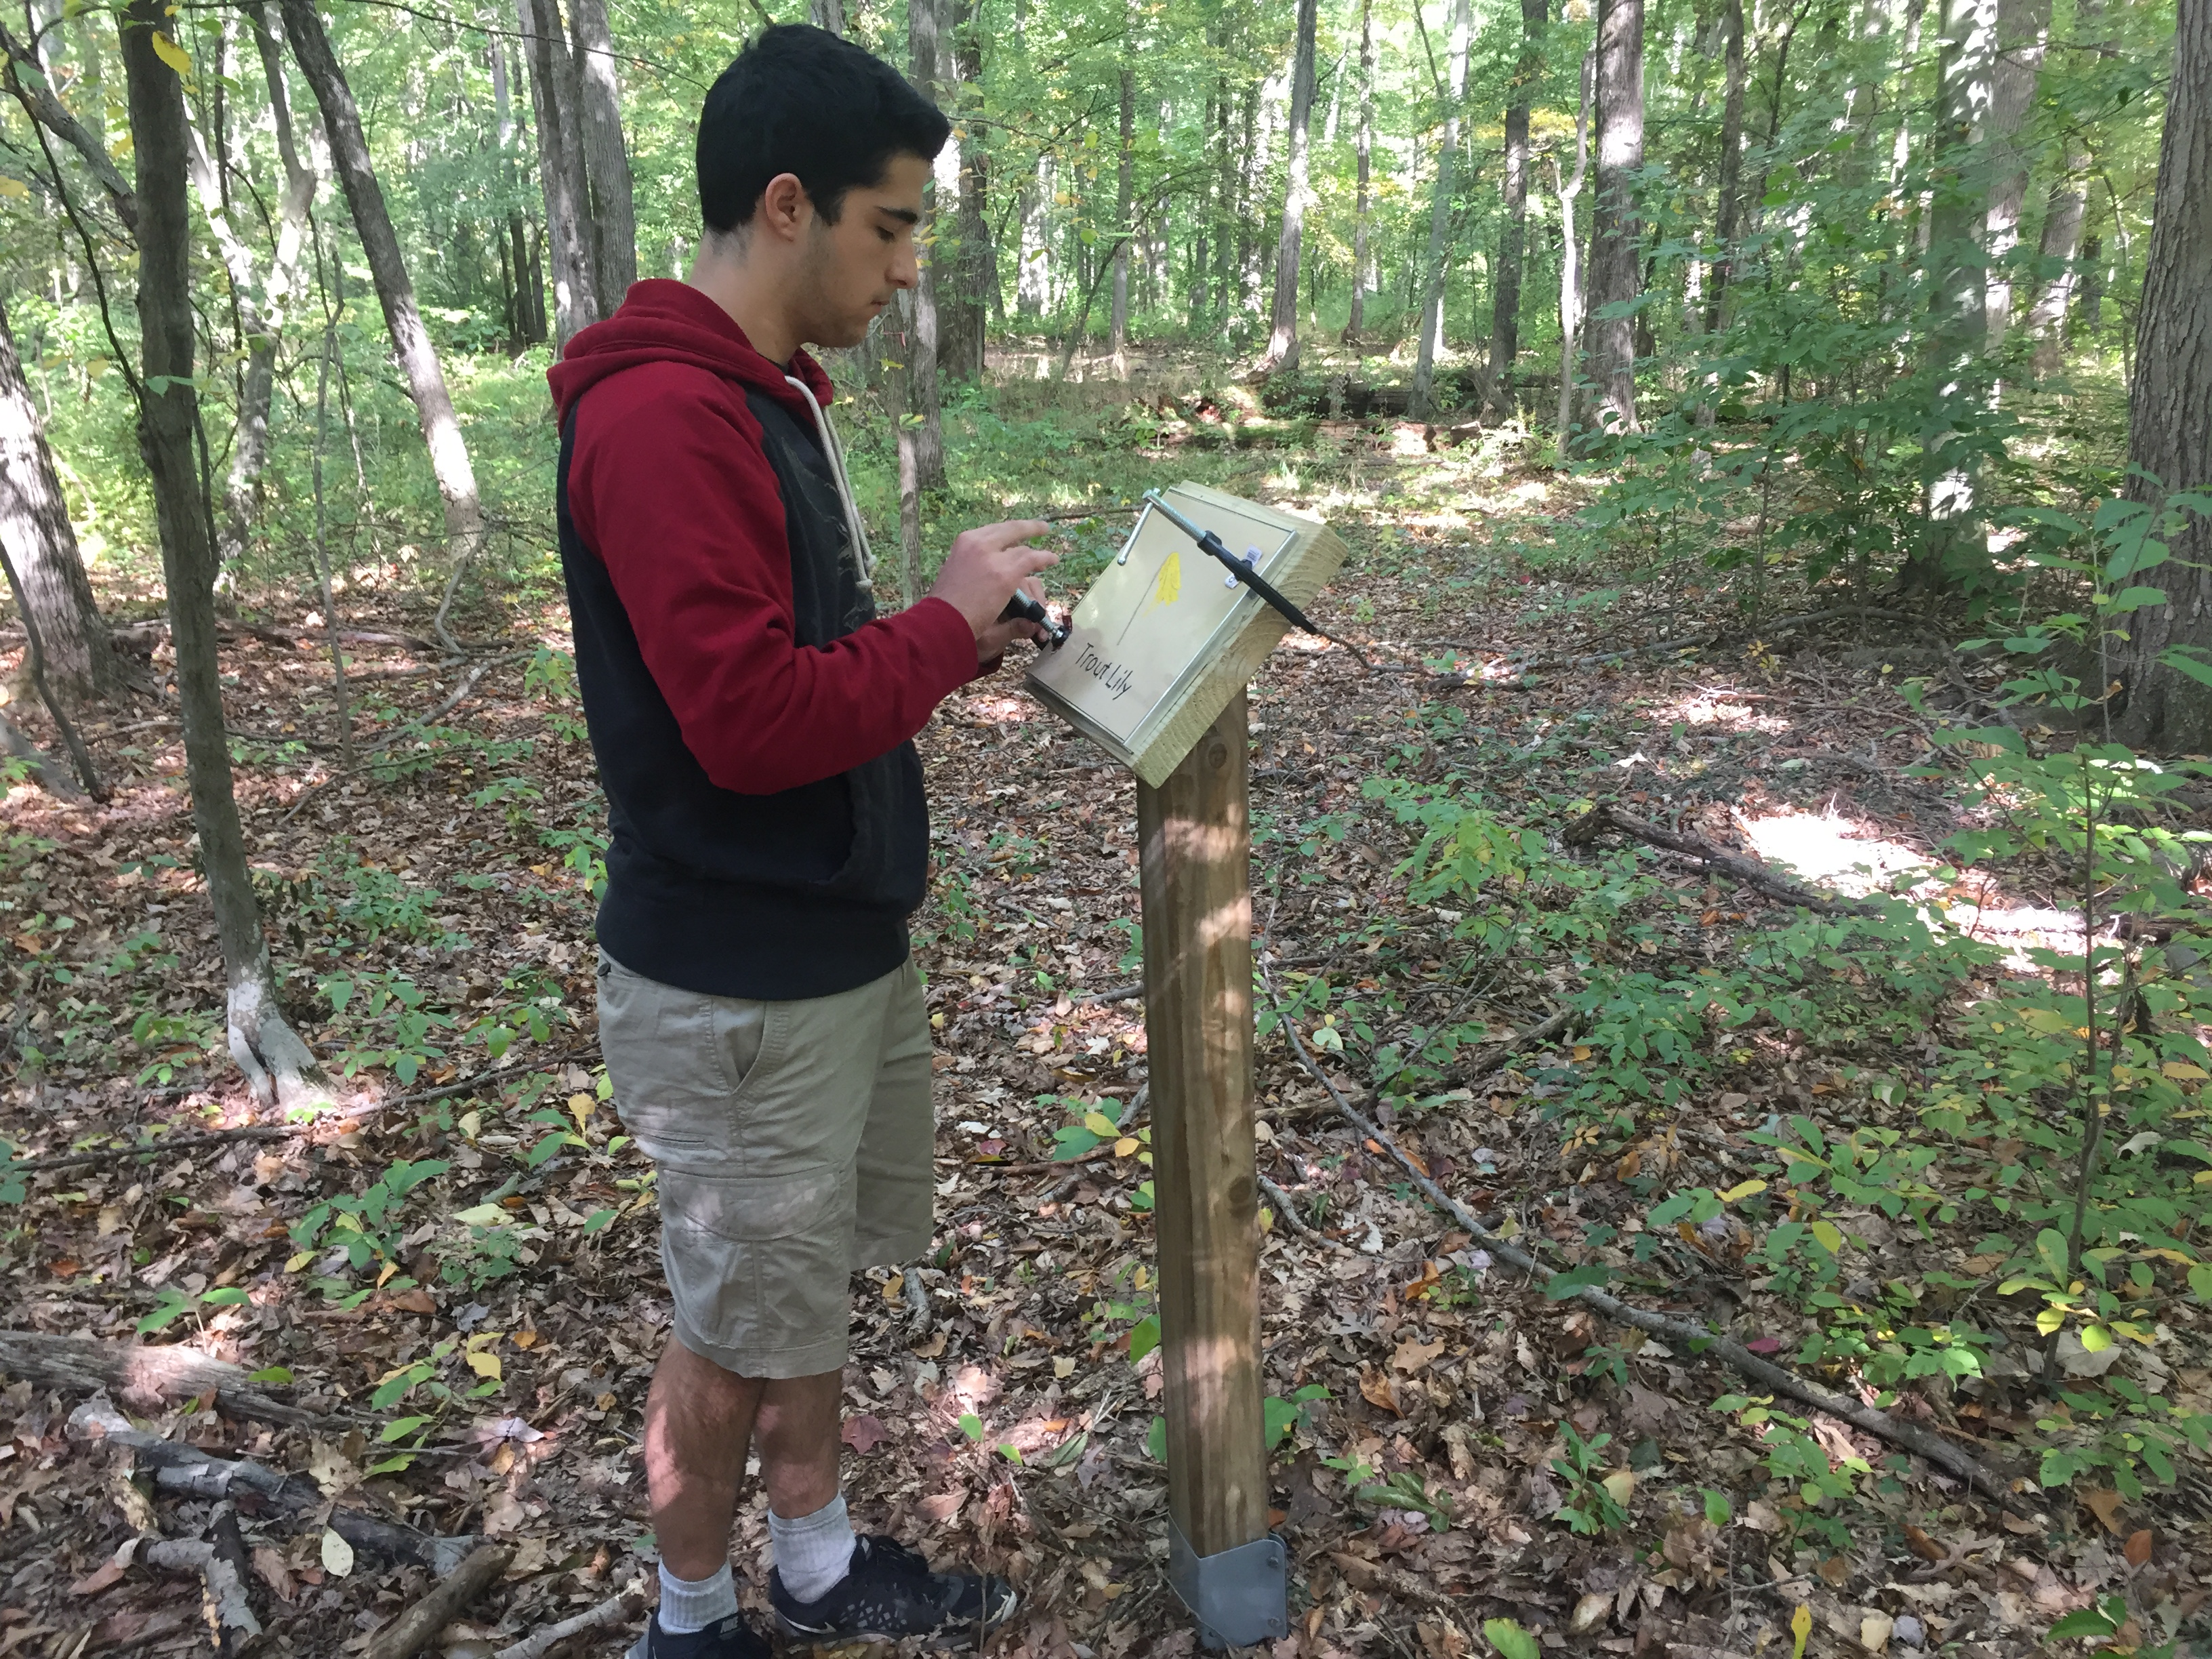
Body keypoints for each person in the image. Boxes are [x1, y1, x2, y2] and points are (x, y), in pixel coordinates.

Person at [546, 24, 1054, 1655]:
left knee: (798, 1288)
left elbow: (804, 673)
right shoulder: (662, 419)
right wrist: (939, 627)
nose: (908, 267)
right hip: (738, 987)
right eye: (890, 225)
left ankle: (820, 1566)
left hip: (825, 955)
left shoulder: (761, 399)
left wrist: (947, 645)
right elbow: (748, 723)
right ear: (787, 206)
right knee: (728, 1325)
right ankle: (691, 1624)